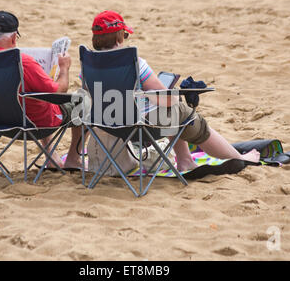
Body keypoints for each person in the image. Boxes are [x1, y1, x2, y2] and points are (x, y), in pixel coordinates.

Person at [64, 10, 260, 172]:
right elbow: (167, 101)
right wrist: (165, 93)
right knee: (180, 111)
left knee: (81, 103)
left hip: (102, 122)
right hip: (136, 128)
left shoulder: (88, 63)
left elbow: (92, 94)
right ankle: (237, 158)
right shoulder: (134, 63)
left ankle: (73, 157)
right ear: (119, 36)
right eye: (125, 34)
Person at [0, 10, 80, 169]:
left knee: (33, 96)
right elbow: (57, 91)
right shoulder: (23, 62)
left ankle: (51, 158)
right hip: (31, 125)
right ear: (12, 37)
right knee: (81, 102)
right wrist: (64, 68)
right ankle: (73, 159)